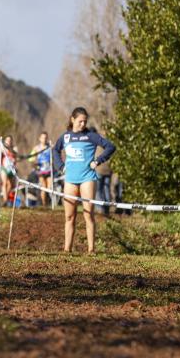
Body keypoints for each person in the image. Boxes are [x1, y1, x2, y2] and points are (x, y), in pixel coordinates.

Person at [53, 107, 116, 253]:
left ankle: (91, 250)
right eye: (80, 121)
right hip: (70, 180)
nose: (83, 124)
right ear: (72, 119)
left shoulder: (91, 135)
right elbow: (55, 150)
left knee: (88, 215)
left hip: (87, 178)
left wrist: (98, 161)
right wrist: (61, 167)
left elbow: (110, 147)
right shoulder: (65, 137)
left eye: (85, 122)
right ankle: (67, 250)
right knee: (69, 216)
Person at [28, 132, 53, 206]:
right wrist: (35, 164)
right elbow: (30, 159)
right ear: (40, 138)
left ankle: (46, 200)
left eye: (45, 138)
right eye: (42, 138)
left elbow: (54, 156)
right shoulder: (36, 148)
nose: (44, 139)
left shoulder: (50, 147)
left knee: (49, 187)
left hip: (49, 170)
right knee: (44, 187)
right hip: (41, 171)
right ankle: (44, 204)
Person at [0, 135, 18, 206]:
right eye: (7, 140)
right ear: (5, 141)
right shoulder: (2, 148)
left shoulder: (14, 148)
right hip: (4, 167)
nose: (9, 142)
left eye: (10, 140)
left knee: (10, 185)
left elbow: (16, 158)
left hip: (11, 168)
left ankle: (6, 198)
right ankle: (5, 200)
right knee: (4, 183)